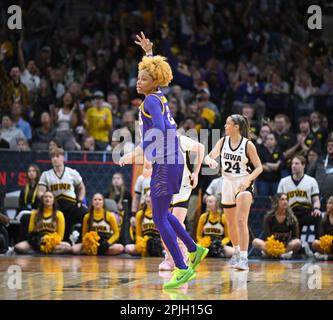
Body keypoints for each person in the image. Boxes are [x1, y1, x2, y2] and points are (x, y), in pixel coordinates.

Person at [119, 32, 208, 289]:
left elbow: (158, 130)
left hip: (166, 162)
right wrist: (148, 54)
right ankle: (193, 249)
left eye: (144, 78)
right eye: (138, 76)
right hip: (173, 161)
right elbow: (153, 74)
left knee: (158, 217)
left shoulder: (150, 101)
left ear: (153, 81)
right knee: (164, 213)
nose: (138, 81)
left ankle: (181, 268)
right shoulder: (158, 95)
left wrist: (136, 152)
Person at [205, 114, 263, 270]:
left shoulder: (248, 145)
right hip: (227, 183)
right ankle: (236, 253)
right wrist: (209, 160)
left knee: (240, 221)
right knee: (230, 223)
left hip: (243, 182)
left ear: (236, 127)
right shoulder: (222, 142)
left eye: (227, 124)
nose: (225, 126)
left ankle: (244, 258)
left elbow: (259, 167)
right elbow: (209, 156)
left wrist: (248, 180)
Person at [159, 134, 205, 270]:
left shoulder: (180, 139)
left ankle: (182, 255)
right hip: (165, 187)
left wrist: (196, 173)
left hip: (182, 187)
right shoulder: (156, 142)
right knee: (163, 223)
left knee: (176, 224)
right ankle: (169, 257)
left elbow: (201, 148)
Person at [37, 147, 89, 241]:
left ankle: (82, 238)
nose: (55, 159)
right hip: (56, 207)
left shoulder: (72, 172)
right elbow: (40, 191)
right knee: (64, 239)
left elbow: (81, 188)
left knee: (87, 215)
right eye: (52, 157)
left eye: (57, 156)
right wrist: (45, 198)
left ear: (63, 158)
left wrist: (80, 200)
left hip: (72, 205)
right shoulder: (46, 174)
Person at [277, 155, 321, 239]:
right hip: (290, 212)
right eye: (292, 164)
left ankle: (317, 243)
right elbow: (278, 201)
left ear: (303, 165)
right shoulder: (283, 181)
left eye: (297, 163)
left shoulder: (311, 181)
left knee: (318, 216)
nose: (293, 166)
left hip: (306, 211)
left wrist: (316, 209)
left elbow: (316, 200)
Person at [252, 193, 302, 259]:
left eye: (286, 200)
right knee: (255, 241)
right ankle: (273, 253)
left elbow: (295, 237)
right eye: (282, 199)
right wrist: (274, 247)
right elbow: (268, 236)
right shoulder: (268, 217)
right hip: (272, 245)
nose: (285, 202)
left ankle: (281, 254)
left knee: (297, 242)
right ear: (276, 202)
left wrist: (283, 247)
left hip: (286, 247)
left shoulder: (292, 218)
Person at [125, 191, 163, 257]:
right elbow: (138, 235)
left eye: (151, 196)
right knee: (128, 248)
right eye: (147, 196)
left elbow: (165, 233)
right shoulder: (140, 214)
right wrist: (141, 245)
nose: (148, 199)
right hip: (145, 242)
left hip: (160, 243)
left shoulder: (162, 213)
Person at [17, 164, 41, 241]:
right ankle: (21, 241)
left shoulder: (41, 187)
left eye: (33, 171)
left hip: (37, 212)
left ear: (37, 173)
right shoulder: (24, 188)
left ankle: (28, 241)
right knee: (24, 217)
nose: (31, 173)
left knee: (26, 218)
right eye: (29, 171)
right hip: (24, 211)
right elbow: (20, 204)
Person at [312, 196, 333, 260]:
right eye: (327, 203)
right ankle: (328, 256)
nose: (327, 205)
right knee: (315, 243)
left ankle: (327, 257)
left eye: (330, 203)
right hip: (328, 246)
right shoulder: (324, 220)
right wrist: (327, 241)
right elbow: (321, 236)